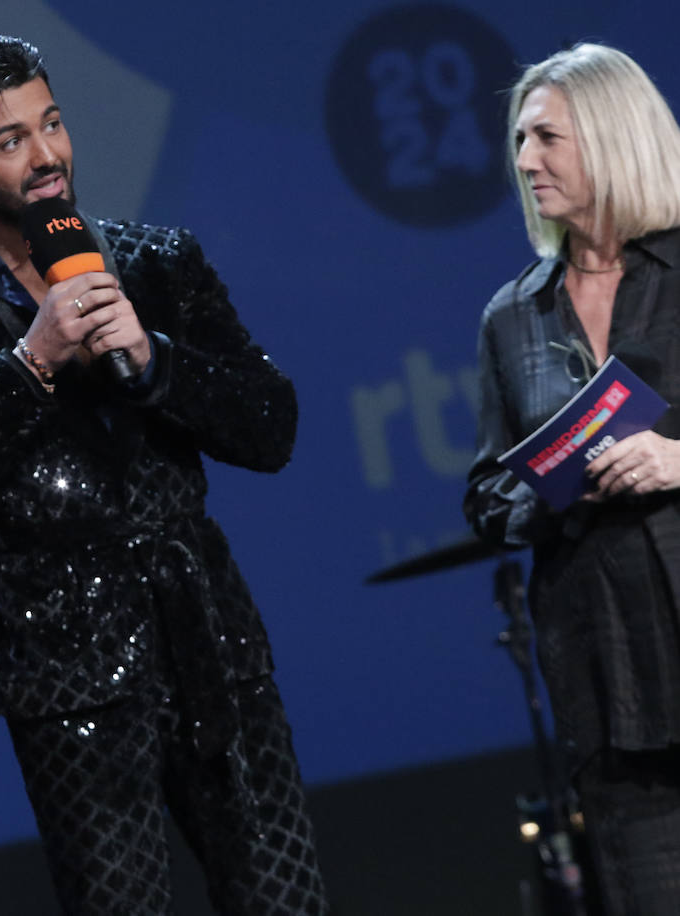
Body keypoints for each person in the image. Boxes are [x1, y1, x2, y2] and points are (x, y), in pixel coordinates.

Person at [0, 35, 327, 916]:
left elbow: (272, 427)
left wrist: (155, 362)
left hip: (207, 631)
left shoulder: (157, 262)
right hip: (63, 652)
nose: (46, 157)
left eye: (54, 125)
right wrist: (32, 359)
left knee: (284, 899)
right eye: (10, 141)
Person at [465, 43, 680, 915]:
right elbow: (486, 497)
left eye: (546, 137)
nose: (524, 161)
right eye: (519, 139)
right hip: (608, 681)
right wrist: (559, 490)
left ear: (610, 137)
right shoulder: (513, 315)